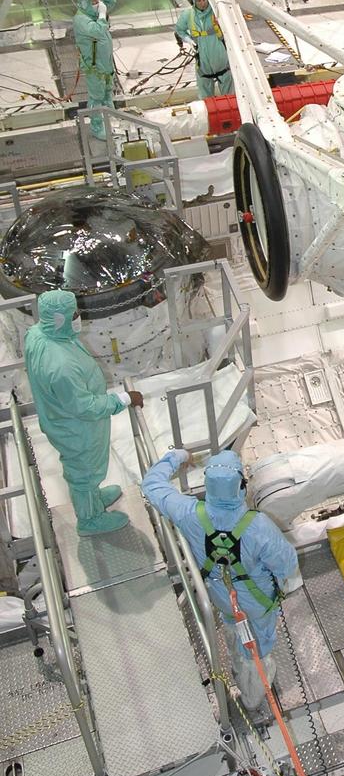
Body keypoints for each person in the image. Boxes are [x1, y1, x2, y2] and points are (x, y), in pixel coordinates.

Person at [141, 447, 299, 711]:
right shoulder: (259, 526)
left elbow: (151, 485)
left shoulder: (189, 513)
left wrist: (178, 457)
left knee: (233, 623)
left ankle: (237, 658)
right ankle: (252, 696)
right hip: (257, 601)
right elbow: (287, 564)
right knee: (257, 647)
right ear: (241, 486)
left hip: (220, 595)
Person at [24, 290, 142, 536]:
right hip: (77, 427)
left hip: (62, 418)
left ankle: (92, 496)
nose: (79, 316)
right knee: (84, 471)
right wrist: (124, 399)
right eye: (74, 314)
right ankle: (90, 519)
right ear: (59, 319)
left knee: (85, 469)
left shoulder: (38, 334)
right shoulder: (61, 365)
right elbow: (85, 407)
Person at [72, 0, 117, 141]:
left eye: (97, 1)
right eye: (94, 2)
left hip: (105, 64)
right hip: (94, 67)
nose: (97, 4)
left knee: (107, 92)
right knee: (97, 97)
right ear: (84, 3)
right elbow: (97, 31)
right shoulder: (81, 19)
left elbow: (112, 1)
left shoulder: (93, 13)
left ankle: (109, 119)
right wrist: (102, 15)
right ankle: (97, 127)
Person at [175, 0, 233, 97]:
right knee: (204, 88)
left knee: (228, 87)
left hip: (219, 53)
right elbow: (179, 30)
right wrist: (188, 40)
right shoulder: (188, 14)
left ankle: (230, 105)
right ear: (193, 1)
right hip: (201, 57)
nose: (202, 3)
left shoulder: (217, 11)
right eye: (199, 1)